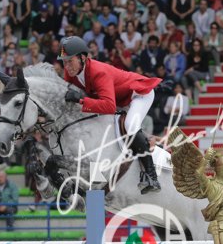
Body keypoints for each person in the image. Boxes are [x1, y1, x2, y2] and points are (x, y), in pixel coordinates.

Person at [58, 36, 162, 193]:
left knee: (130, 125)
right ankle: (96, 182)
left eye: (70, 61)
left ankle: (151, 176)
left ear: (82, 58)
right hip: (119, 100)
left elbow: (109, 106)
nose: (67, 66)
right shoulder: (70, 73)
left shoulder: (98, 71)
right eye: (64, 62)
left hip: (138, 94)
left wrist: (81, 100)